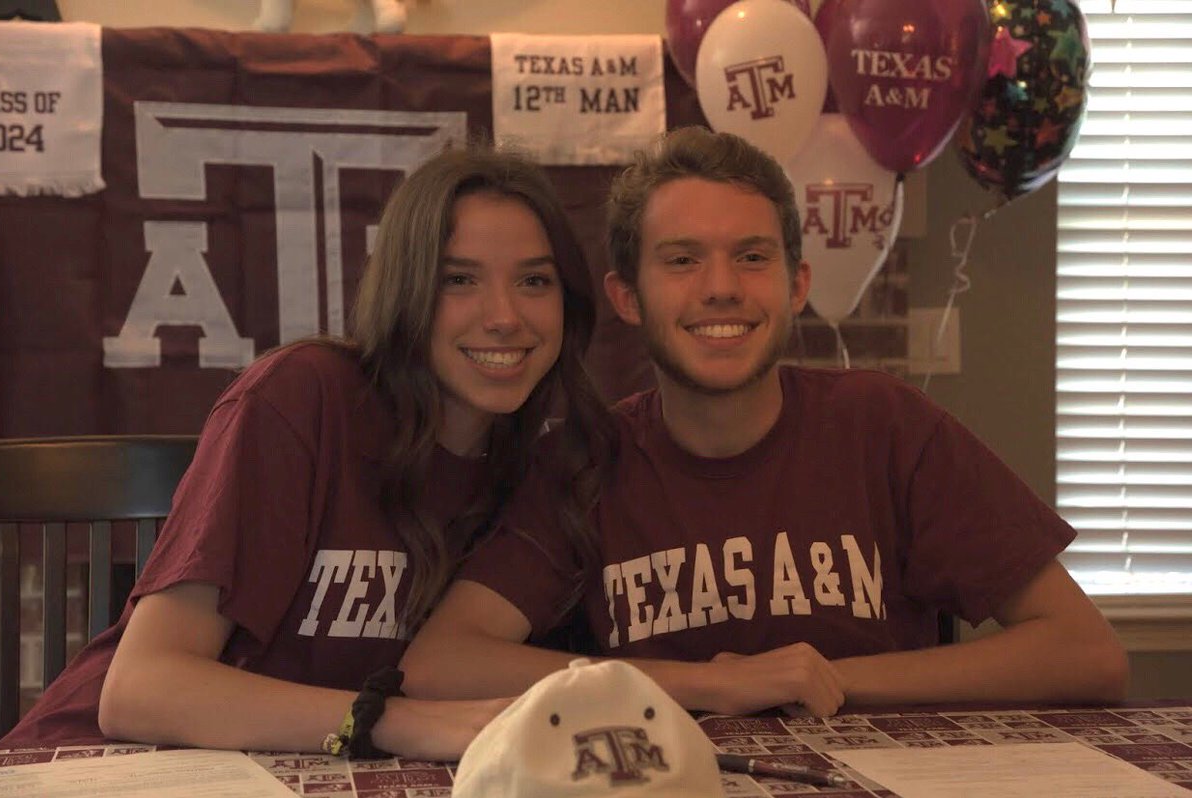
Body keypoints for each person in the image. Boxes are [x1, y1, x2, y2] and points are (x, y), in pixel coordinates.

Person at [400, 126, 1129, 717]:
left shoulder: (884, 426)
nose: (721, 289)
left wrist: (827, 681)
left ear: (796, 283)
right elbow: (440, 663)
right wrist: (712, 686)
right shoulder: (588, 459)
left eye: (751, 257)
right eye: (682, 260)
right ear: (627, 297)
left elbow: (1085, 653)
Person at [1, 146, 612, 759]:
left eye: (534, 280)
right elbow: (140, 690)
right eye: (458, 280)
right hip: (105, 766)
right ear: (405, 289)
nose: (505, 317)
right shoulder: (304, 397)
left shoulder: (542, 470)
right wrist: (398, 722)